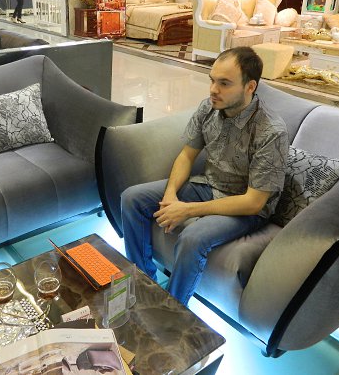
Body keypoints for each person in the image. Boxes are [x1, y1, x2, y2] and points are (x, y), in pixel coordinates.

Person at [121, 47, 289, 306]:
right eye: (212, 80)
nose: (213, 90)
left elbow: (254, 202)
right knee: (132, 198)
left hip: (244, 208)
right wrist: (170, 196)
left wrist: (187, 210)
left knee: (193, 238)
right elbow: (186, 156)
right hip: (207, 186)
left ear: (250, 87)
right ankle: (143, 285)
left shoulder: (271, 132)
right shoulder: (208, 108)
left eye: (224, 83)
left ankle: (172, 311)